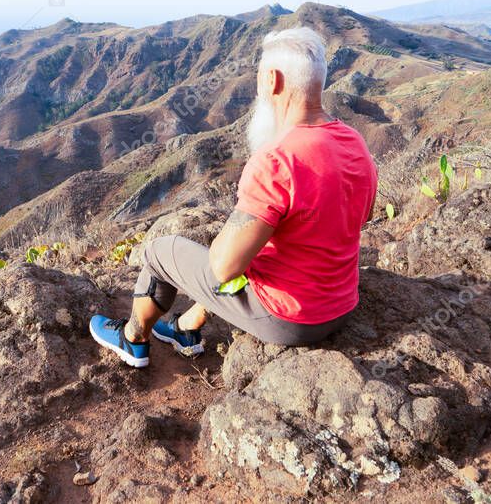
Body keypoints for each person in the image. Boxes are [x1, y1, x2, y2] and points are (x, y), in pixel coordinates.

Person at [89, 27, 378, 367]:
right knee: (254, 250)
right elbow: (365, 214)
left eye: (258, 78)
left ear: (272, 80)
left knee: (160, 252)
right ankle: (185, 328)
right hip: (341, 305)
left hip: (290, 320)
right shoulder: (354, 142)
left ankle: (133, 339)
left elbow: (224, 268)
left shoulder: (277, 160)